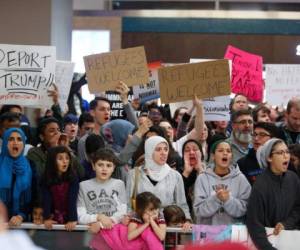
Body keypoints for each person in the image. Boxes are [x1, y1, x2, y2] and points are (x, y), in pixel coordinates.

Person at [246, 138, 300, 250]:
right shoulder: (260, 185)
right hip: (269, 243)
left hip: (292, 240)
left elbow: (298, 208)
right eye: (280, 153)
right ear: (269, 158)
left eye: (287, 152)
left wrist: (286, 224)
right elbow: (254, 224)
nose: (286, 156)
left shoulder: (293, 178)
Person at [126, 136, 192, 227]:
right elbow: (128, 204)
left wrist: (187, 220)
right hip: (141, 226)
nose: (163, 153)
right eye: (158, 149)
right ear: (149, 151)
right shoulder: (133, 174)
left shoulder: (175, 176)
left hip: (167, 227)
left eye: (165, 149)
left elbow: (182, 204)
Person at [193, 140, 251, 225]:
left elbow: (246, 209)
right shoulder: (202, 178)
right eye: (220, 150)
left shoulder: (241, 179)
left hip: (233, 234)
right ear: (213, 156)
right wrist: (216, 198)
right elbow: (198, 210)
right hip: (208, 234)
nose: (225, 153)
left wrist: (228, 200)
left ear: (231, 156)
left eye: (228, 151)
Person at [77, 148, 127, 229]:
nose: (104, 169)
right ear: (93, 166)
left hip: (113, 231)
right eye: (100, 165)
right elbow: (80, 216)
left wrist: (105, 222)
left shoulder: (119, 184)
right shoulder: (83, 186)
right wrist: (98, 217)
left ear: (113, 167)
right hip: (92, 233)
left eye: (108, 165)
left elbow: (122, 212)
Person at [41, 146, 79, 231]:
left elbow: (72, 199)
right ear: (52, 161)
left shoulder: (73, 177)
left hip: (69, 217)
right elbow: (46, 199)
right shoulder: (45, 178)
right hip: (53, 217)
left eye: (67, 158)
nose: (65, 161)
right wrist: (46, 217)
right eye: (60, 158)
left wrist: (72, 219)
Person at [0, 128, 32, 226]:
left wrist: (20, 216)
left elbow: (33, 197)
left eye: (19, 139)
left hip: (21, 224)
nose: (15, 143)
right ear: (5, 143)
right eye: (11, 139)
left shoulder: (30, 165)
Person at [181, 139, 205, 217]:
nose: (191, 152)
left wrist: (200, 170)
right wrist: (186, 172)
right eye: (187, 150)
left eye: (195, 149)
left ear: (201, 153)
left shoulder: (210, 171)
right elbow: (178, 195)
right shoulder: (177, 173)